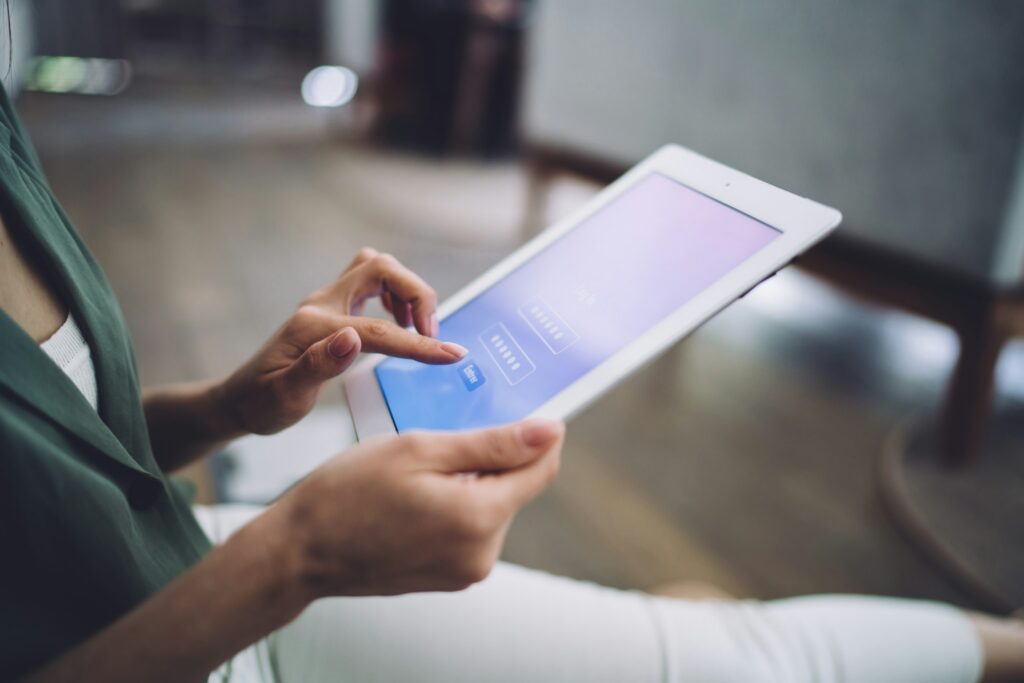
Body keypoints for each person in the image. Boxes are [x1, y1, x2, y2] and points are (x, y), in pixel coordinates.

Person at [0, 83, 1021, 683]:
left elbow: (67, 452)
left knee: (718, 638)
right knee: (734, 640)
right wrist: (296, 554)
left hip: (187, 567)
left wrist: (227, 407)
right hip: (207, 618)